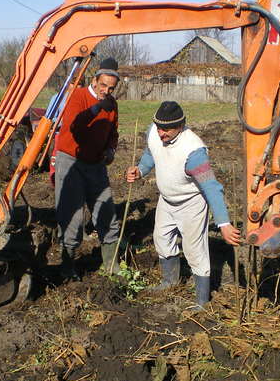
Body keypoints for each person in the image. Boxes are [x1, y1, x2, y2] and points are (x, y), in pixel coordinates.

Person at [126, 101, 242, 308]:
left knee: (194, 250)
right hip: (167, 200)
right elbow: (151, 152)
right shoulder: (154, 131)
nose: (161, 133)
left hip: (191, 204)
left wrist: (224, 224)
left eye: (167, 130)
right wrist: (140, 170)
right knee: (161, 239)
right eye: (159, 128)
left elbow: (212, 188)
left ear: (181, 126)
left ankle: (201, 301)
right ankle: (169, 281)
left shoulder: (194, 152)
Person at [54, 57, 122, 280]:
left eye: (111, 88)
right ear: (94, 80)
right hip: (71, 161)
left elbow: (113, 133)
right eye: (103, 85)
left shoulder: (112, 105)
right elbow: (75, 126)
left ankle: (111, 265)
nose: (106, 91)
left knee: (106, 210)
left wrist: (110, 150)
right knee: (72, 213)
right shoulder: (78, 97)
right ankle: (67, 266)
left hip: (96, 164)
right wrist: (97, 108)